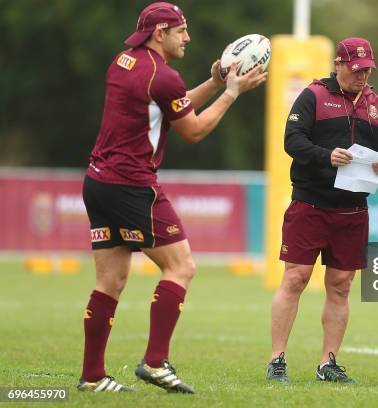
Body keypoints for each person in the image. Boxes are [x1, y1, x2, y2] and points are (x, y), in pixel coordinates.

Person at [78, 2, 267, 393]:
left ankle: (93, 377)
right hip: (132, 186)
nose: (188, 37)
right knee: (182, 267)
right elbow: (193, 130)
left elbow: (170, 106)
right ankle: (155, 362)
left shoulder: (124, 61)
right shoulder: (163, 77)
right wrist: (232, 92)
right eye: (181, 30)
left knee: (109, 281)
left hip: (98, 182)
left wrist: (215, 81)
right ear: (159, 33)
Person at [266, 37, 378, 383]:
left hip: (353, 209)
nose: (363, 76)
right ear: (339, 64)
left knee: (341, 286)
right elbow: (292, 140)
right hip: (310, 203)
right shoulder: (313, 96)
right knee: (295, 278)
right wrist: (326, 156)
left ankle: (328, 363)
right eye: (357, 69)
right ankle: (277, 359)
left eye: (368, 69)